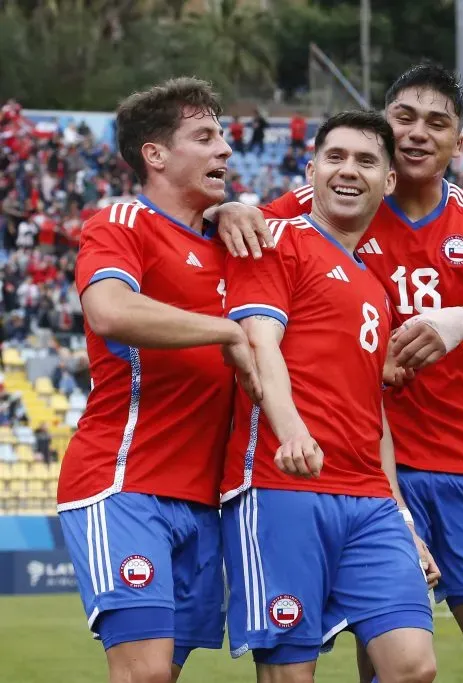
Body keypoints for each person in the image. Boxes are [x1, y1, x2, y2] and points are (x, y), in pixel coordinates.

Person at [214, 63, 463, 683]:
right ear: (386, 129)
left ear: (458, 141)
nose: (418, 132)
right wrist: (229, 207)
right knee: (386, 655)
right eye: (404, 118)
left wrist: (458, 322)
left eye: (436, 123)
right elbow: (254, 228)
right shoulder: (334, 198)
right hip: (363, 465)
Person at [55, 77, 260, 683]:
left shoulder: (230, 239)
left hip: (205, 502)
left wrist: (239, 208)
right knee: (142, 673)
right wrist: (225, 331)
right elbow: (110, 310)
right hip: (125, 479)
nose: (224, 149)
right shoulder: (121, 220)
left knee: (162, 674)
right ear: (155, 154)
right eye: (204, 136)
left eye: (222, 136)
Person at [220, 111, 436, 683]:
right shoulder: (277, 240)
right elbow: (259, 344)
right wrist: (292, 431)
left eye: (367, 161)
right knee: (291, 676)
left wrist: (403, 514)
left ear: (389, 180)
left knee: (413, 666)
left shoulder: (375, 285)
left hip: (370, 500)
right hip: (281, 484)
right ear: (310, 168)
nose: (349, 171)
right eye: (335, 157)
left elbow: (373, 411)